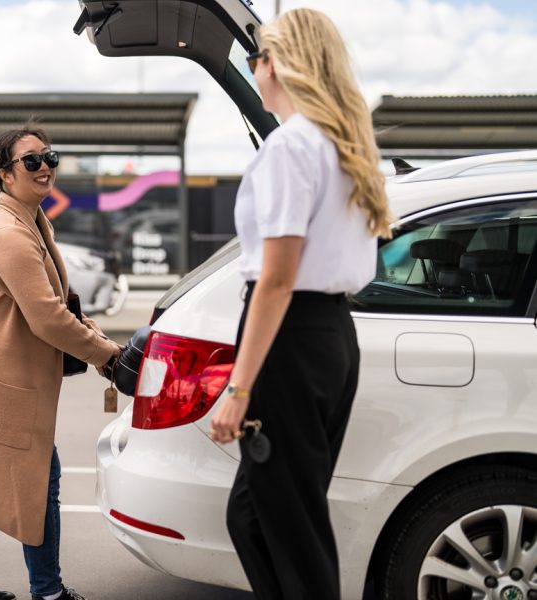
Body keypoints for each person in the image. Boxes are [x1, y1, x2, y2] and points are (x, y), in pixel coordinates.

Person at [208, 8, 393, 600]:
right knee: (257, 517)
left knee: (290, 526)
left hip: (291, 336)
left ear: (279, 65)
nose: (253, 70)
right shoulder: (345, 146)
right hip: (331, 336)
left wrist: (238, 389)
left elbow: (278, 278)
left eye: (256, 58)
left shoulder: (291, 147)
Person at [0, 124, 121, 600]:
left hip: (3, 372)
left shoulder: (27, 218)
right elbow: (47, 319)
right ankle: (47, 591)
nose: (45, 167)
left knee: (6, 479)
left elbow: (61, 302)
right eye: (32, 161)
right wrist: (107, 357)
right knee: (36, 477)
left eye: (50, 157)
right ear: (4, 173)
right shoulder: (8, 232)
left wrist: (102, 340)